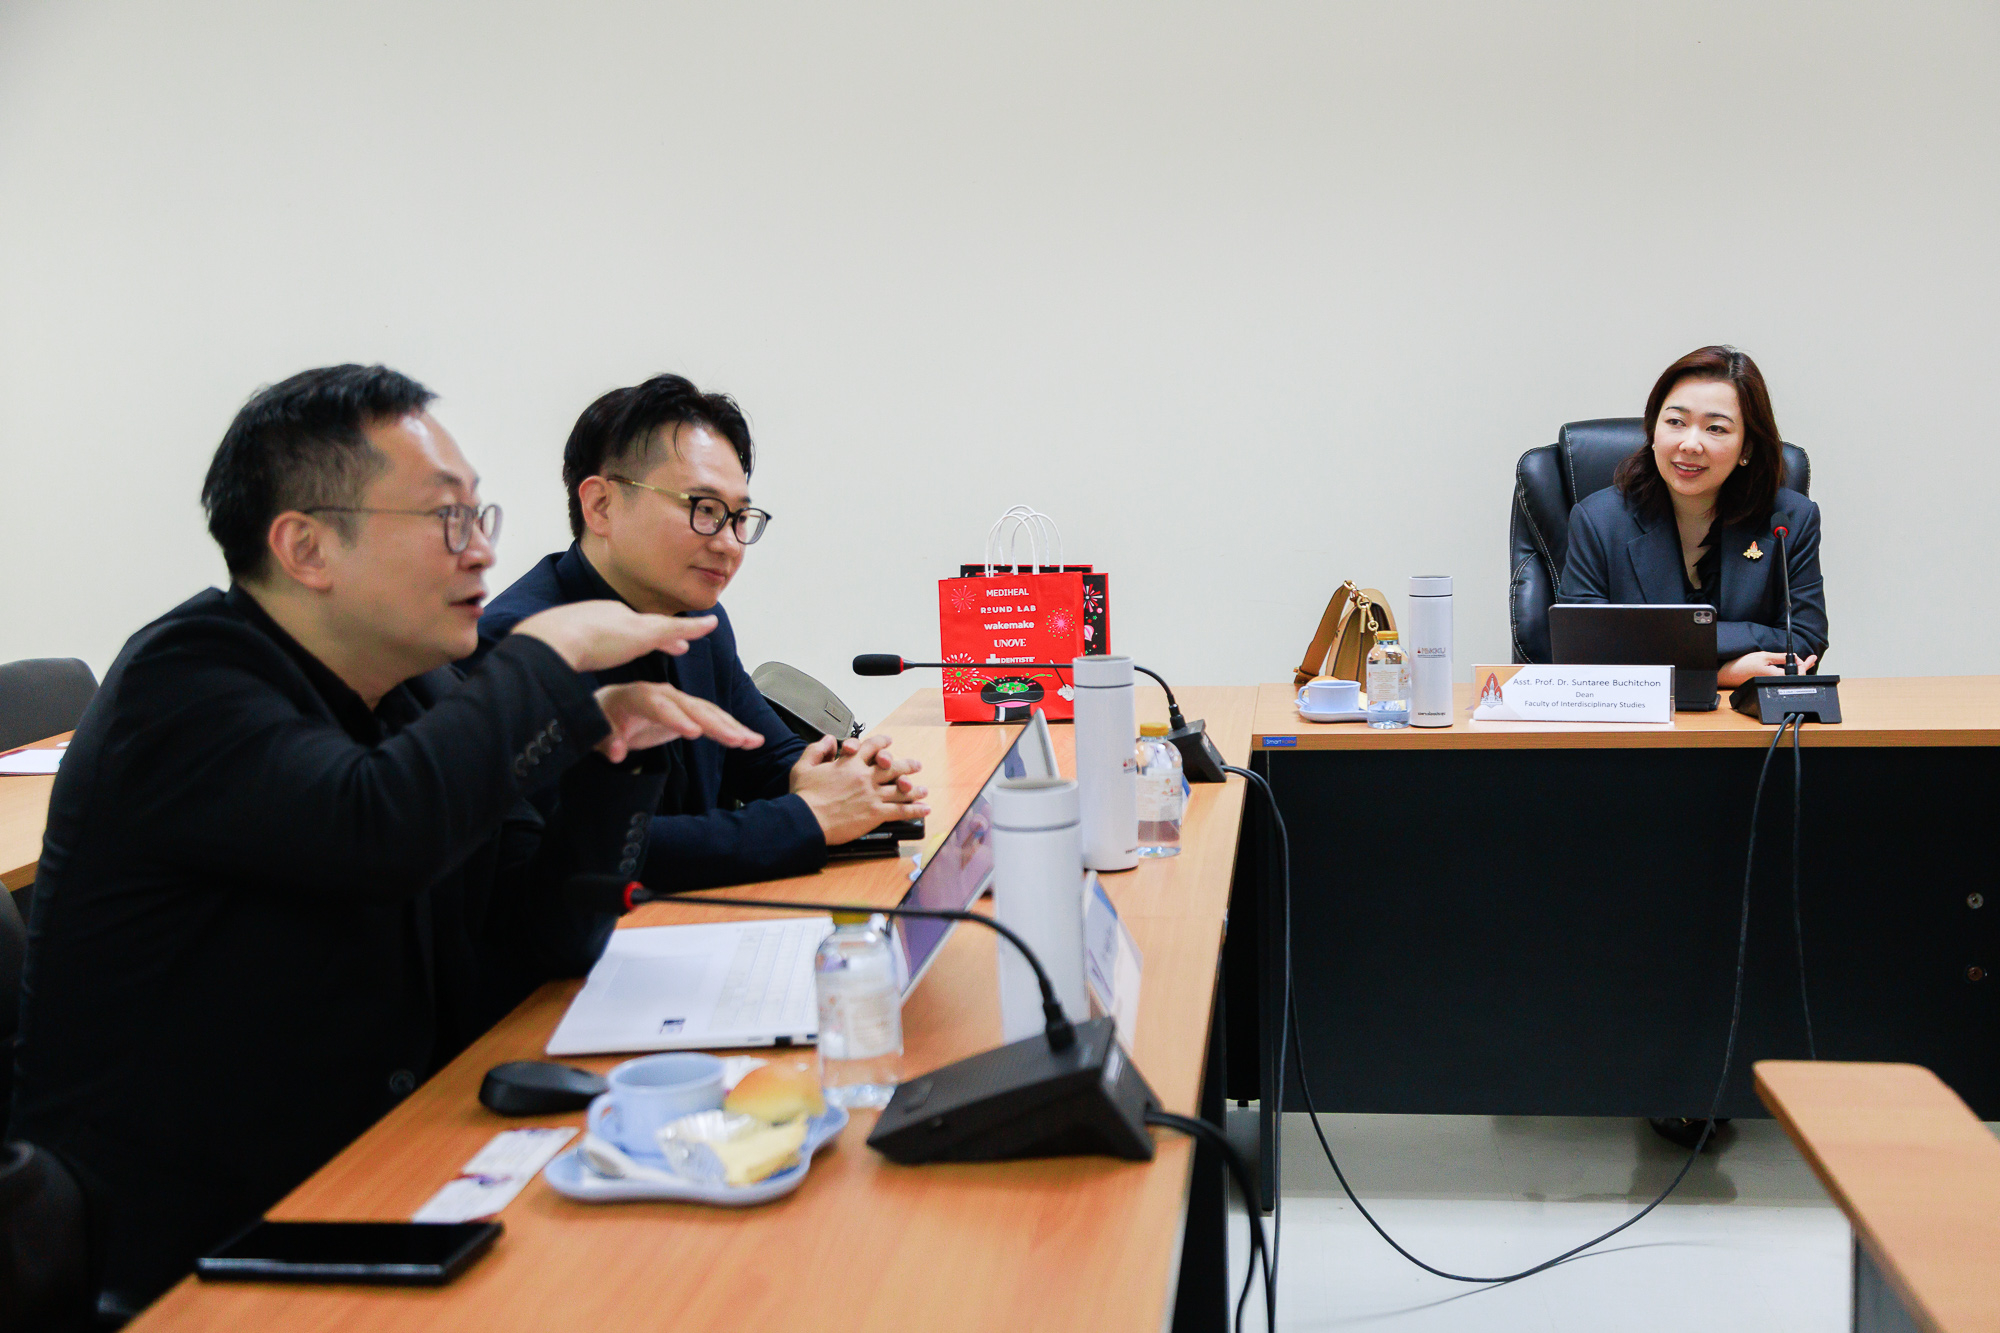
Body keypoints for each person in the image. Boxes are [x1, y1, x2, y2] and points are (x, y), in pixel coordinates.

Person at [9, 365, 766, 1309]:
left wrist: (612, 758)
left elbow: (543, 932)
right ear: (306, 546)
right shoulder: (182, 684)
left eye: (479, 518)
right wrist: (547, 657)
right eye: (446, 519)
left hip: (383, 1163)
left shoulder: (416, 687)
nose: (481, 554)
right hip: (195, 1246)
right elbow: (377, 831)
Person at [475, 373, 928, 891]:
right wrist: (809, 816)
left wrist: (842, 776)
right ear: (601, 506)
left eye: (740, 517)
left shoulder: (698, 621)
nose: (730, 543)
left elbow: (767, 758)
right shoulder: (515, 646)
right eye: (705, 509)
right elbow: (577, 853)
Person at [1561, 345, 1829, 688]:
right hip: (1637, 717)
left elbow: (1804, 641)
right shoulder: (1599, 521)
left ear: (1746, 447)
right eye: (1675, 422)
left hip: (1747, 718)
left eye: (1715, 428)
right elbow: (1584, 654)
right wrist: (1719, 675)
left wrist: (1655, 643)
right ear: (1652, 432)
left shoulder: (1790, 520)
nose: (1690, 444)